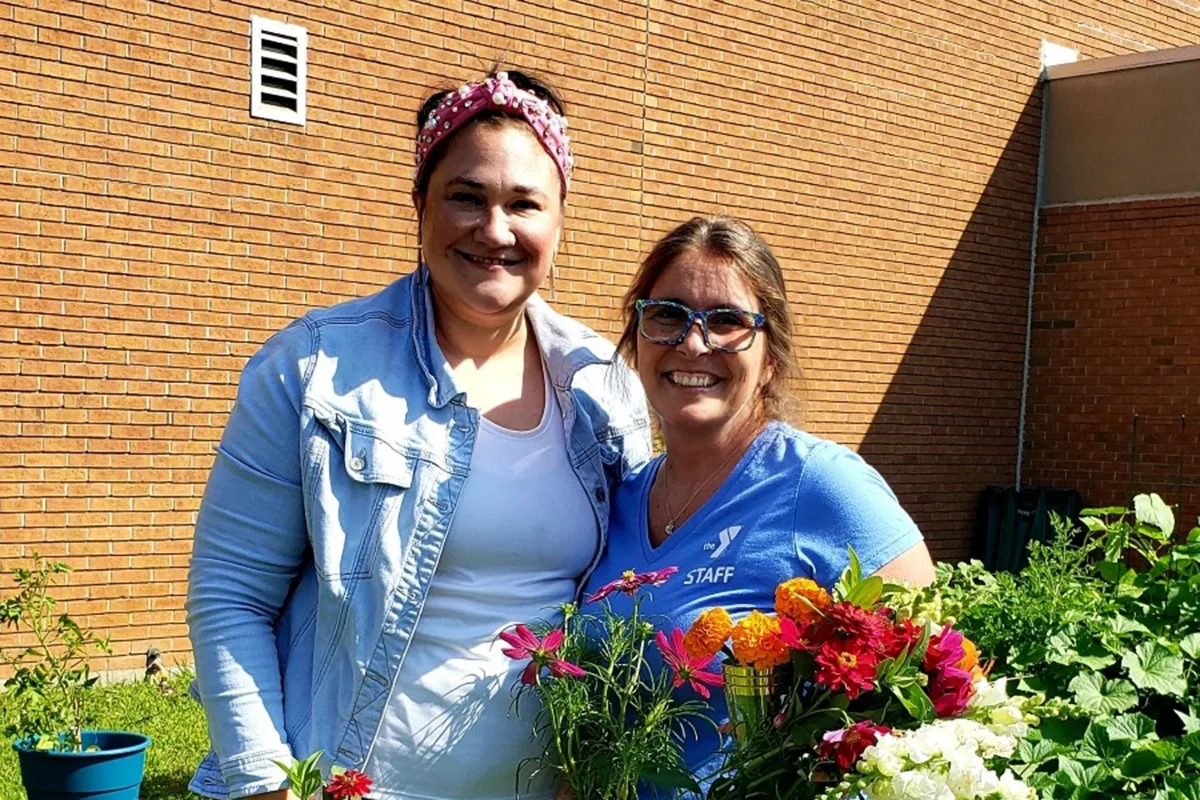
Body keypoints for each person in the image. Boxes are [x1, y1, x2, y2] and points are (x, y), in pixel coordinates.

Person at [186, 69, 651, 800]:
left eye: (524, 203)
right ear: (420, 206)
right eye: (466, 196)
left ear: (559, 222)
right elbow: (229, 593)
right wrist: (267, 785)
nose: (493, 229)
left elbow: (627, 595)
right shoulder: (314, 368)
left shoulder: (604, 385)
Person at [582, 215, 935, 790]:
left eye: (727, 322)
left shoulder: (822, 485)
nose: (693, 343)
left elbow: (929, 685)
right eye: (667, 315)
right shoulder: (617, 499)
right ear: (637, 338)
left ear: (770, 355)